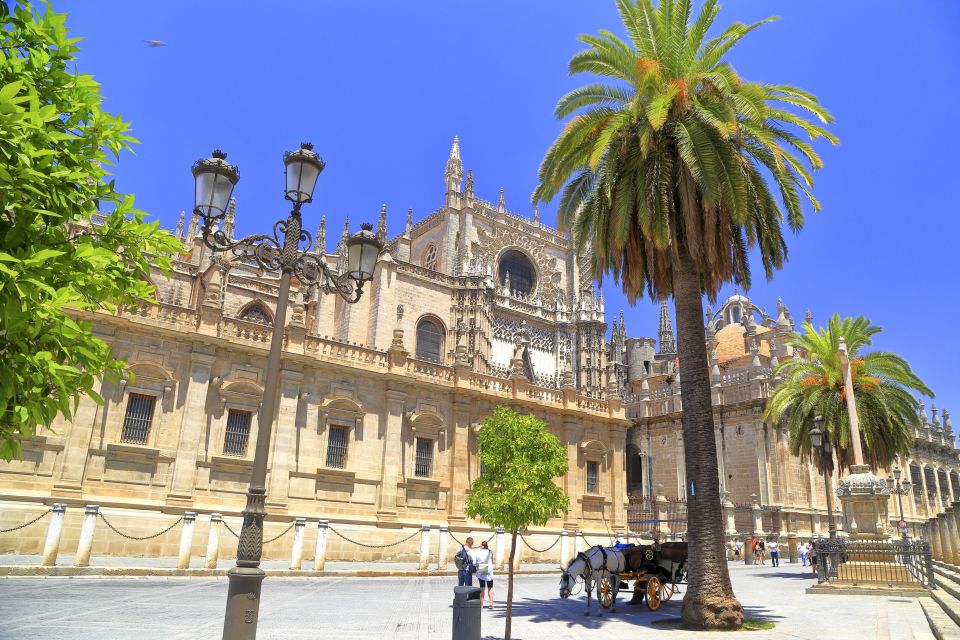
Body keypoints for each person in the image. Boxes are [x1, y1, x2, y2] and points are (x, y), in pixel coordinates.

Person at [474, 539, 495, 610]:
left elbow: (474, 563)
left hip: (481, 571)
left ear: (482, 545)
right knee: (490, 587)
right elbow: (492, 561)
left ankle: (481, 605)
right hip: (489, 571)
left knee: (482, 588)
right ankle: (491, 604)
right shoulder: (490, 552)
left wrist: (477, 565)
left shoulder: (477, 552)